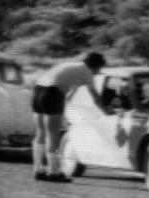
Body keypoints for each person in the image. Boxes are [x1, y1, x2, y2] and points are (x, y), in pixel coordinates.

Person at [32, 51, 110, 182]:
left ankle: (38, 170)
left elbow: (70, 90)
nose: (98, 72)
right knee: (53, 135)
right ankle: (54, 172)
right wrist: (106, 112)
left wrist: (66, 105)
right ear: (95, 66)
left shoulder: (71, 66)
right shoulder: (86, 72)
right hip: (53, 92)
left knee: (40, 133)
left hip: (38, 90)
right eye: (99, 69)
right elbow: (96, 98)